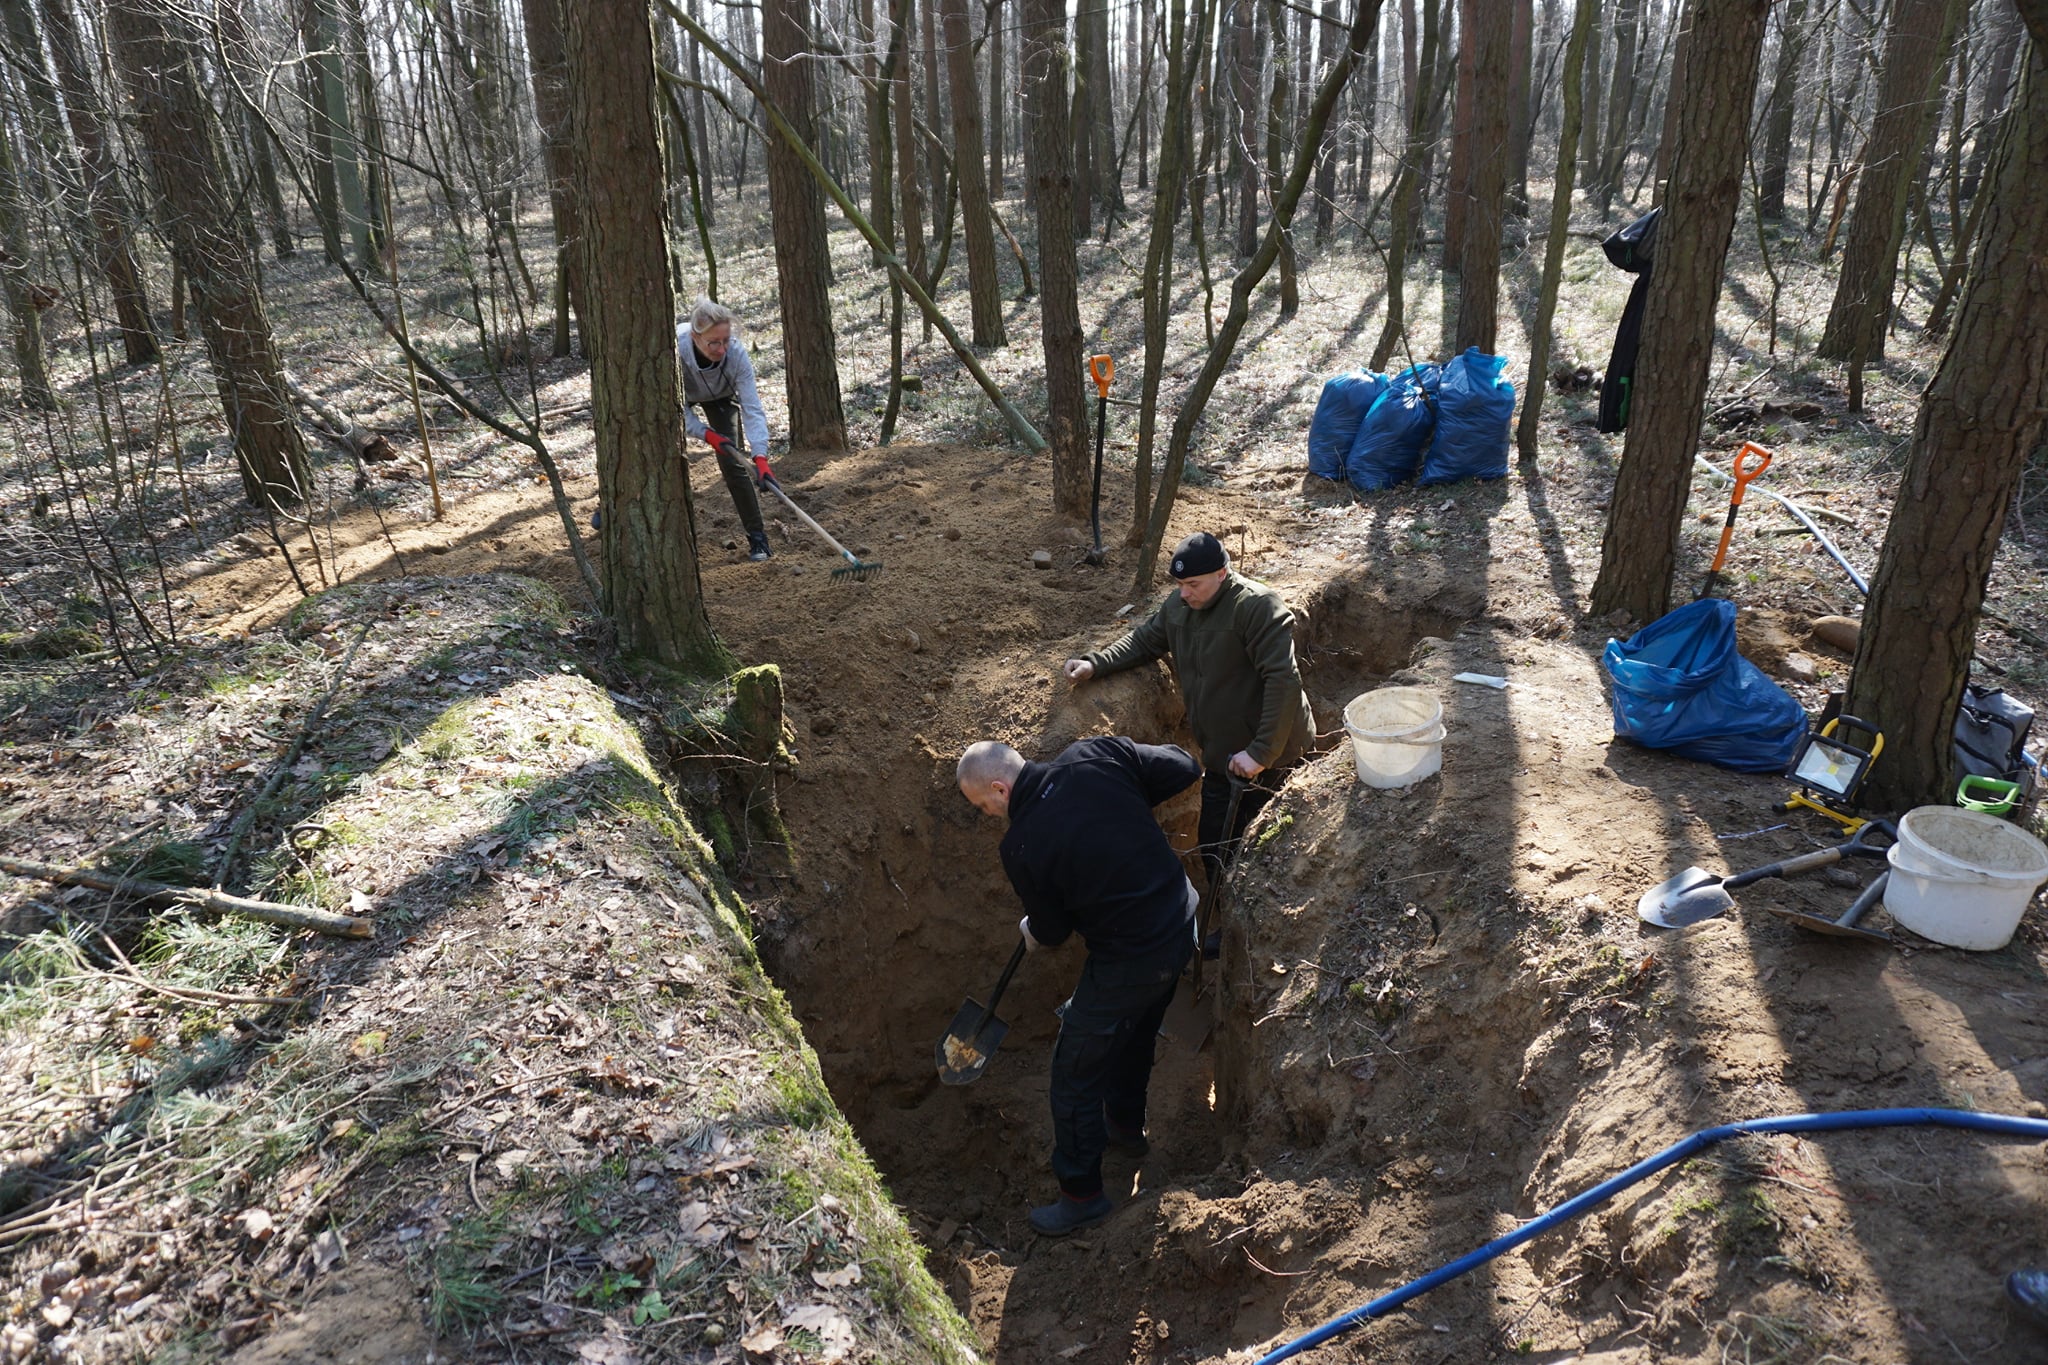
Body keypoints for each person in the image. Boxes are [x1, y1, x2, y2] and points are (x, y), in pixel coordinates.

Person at [957, 736, 1201, 1236]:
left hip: (1132, 957)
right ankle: (1126, 1129)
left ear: (1000, 789)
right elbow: (1184, 765)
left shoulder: (1022, 844)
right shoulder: (1098, 755)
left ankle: (1081, 1196)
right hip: (1183, 923)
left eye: (984, 806)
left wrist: (1031, 929)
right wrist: (1121, 805)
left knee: (1073, 1073)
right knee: (1133, 1028)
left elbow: (1053, 931)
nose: (989, 816)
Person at [1062, 531, 1315, 892]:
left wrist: (1261, 753)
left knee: (1269, 850)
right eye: (1179, 584)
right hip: (1222, 758)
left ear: (1222, 574)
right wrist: (1095, 664)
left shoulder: (1257, 607)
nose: (1184, 592)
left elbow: (1283, 680)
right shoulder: (1180, 606)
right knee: (1215, 847)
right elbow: (1145, 640)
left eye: (1193, 584)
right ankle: (1225, 924)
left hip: (1276, 756)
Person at [678, 297, 775, 563]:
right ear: (695, 337)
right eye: (713, 343)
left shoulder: (736, 354)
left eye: (726, 341)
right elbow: (675, 409)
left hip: (721, 396)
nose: (722, 349)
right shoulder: (674, 351)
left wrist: (761, 456)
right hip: (682, 395)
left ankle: (758, 538)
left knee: (733, 464)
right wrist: (706, 434)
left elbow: (752, 407)